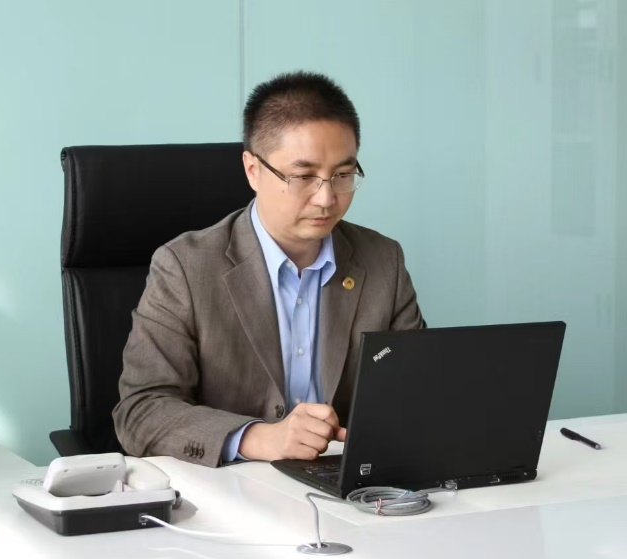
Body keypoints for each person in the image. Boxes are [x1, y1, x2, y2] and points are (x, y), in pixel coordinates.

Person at [112, 71, 425, 466]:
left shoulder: (383, 261)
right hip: (230, 487)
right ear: (253, 170)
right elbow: (140, 411)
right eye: (303, 176)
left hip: (347, 482)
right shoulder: (184, 268)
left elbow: (418, 391)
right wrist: (256, 438)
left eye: (343, 175)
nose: (326, 198)